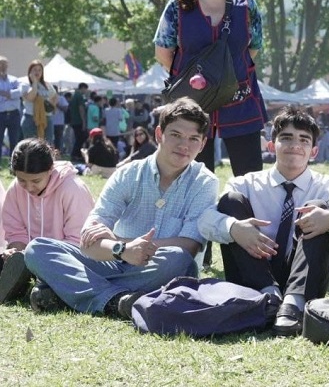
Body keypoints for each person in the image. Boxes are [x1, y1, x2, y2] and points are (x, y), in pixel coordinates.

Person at [24, 97, 218, 318]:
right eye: (175, 135)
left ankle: (68, 289)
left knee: (180, 260)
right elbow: (89, 240)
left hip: (158, 267)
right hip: (114, 259)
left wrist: (123, 243)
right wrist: (123, 251)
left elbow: (189, 245)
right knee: (37, 248)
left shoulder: (205, 182)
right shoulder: (129, 173)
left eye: (193, 138)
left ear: (202, 145)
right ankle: (117, 301)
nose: (184, 145)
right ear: (158, 135)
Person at [199, 106, 329, 336]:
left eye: (304, 140)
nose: (295, 145)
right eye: (286, 138)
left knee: (322, 209)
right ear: (271, 145)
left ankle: (293, 304)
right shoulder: (245, 183)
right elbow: (205, 221)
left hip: (307, 277)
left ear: (314, 151)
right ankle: (269, 297)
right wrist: (234, 228)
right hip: (253, 273)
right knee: (231, 201)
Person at [154, 0, 267, 177]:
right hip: (191, 105)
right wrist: (197, 82)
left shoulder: (247, 5)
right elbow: (163, 53)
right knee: (190, 179)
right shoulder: (178, 7)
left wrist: (224, 76)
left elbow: (253, 48)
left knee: (249, 181)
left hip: (241, 102)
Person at [0, 139, 94, 304]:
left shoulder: (72, 189)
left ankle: (47, 289)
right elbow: (15, 231)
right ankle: (35, 283)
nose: (29, 187)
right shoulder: (15, 189)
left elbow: (79, 243)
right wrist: (15, 252)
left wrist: (38, 258)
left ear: (50, 169)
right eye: (22, 180)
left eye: (36, 181)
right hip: (30, 258)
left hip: (67, 259)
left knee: (55, 269)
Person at [20, 60, 58, 143]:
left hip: (46, 118)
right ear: (30, 71)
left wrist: (50, 105)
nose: (37, 72)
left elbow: (55, 96)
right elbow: (31, 98)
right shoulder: (25, 84)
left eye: (39, 70)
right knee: (31, 146)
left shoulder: (47, 84)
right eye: (34, 70)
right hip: (30, 118)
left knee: (48, 145)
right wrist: (34, 83)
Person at [0, 56, 23, 165]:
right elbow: (14, 95)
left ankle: (13, 165)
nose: (3, 66)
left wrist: (5, 93)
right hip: (1, 114)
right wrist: (11, 95)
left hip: (14, 114)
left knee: (14, 141)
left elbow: (20, 92)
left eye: (5, 64)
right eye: (1, 64)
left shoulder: (14, 79)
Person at [68, 83, 89, 162]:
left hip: (74, 120)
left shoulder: (74, 96)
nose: (86, 91)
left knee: (79, 138)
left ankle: (77, 154)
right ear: (83, 88)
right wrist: (84, 121)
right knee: (81, 138)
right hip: (78, 121)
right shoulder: (79, 96)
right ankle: (75, 154)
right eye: (86, 89)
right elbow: (81, 109)